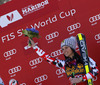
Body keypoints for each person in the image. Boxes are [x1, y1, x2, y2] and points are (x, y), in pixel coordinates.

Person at [28, 36, 99, 85]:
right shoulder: (63, 64)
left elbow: (96, 70)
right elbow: (47, 58)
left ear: (72, 48)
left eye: (66, 48)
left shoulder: (85, 58)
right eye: (62, 49)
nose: (64, 51)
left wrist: (81, 79)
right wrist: (35, 46)